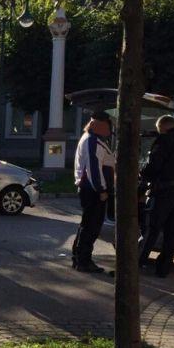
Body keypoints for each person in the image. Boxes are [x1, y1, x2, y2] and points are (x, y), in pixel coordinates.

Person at [139, 115, 174, 277]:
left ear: (163, 127)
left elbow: (155, 165)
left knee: (152, 228)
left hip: (163, 190)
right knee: (172, 232)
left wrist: (143, 174)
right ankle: (163, 269)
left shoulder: (164, 141)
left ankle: (138, 262)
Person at [71, 111, 115, 273]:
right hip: (93, 191)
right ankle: (83, 260)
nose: (110, 129)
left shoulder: (93, 140)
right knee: (91, 226)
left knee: (87, 225)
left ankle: (79, 258)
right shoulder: (92, 141)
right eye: (108, 125)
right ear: (100, 126)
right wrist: (102, 189)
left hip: (90, 189)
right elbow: (93, 169)